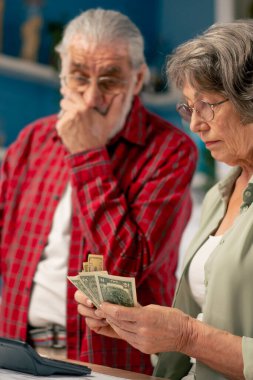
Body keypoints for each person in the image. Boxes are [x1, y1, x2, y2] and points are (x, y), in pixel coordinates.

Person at [0, 8, 197, 375]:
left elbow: (127, 266)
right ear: (62, 77)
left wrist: (86, 155)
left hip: (107, 361)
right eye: (78, 78)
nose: (91, 98)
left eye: (109, 81)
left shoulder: (170, 150)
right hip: (18, 352)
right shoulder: (32, 141)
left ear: (137, 80)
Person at [75, 19, 253, 379]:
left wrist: (187, 335)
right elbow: (197, 330)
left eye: (207, 105)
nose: (195, 124)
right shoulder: (222, 194)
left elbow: (194, 334)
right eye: (189, 108)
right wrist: (136, 325)